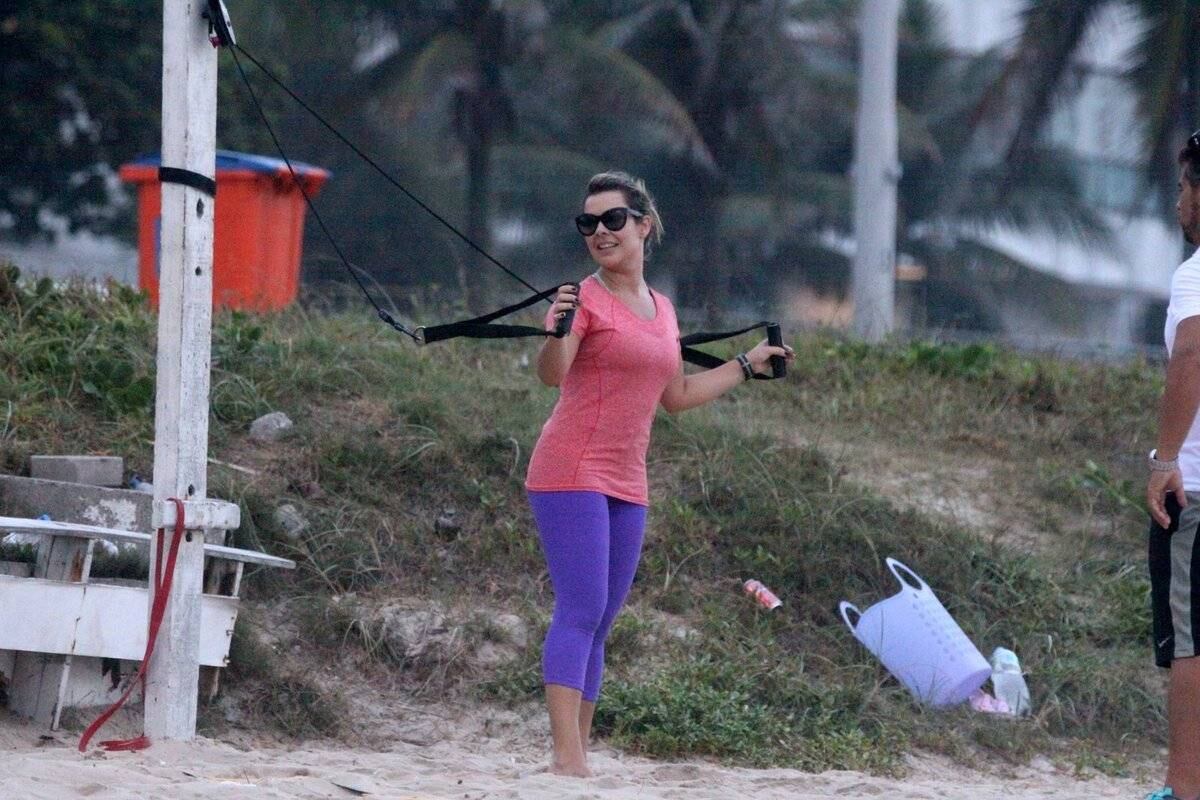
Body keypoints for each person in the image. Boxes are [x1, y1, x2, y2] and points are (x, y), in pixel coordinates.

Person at [524, 170, 793, 777]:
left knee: (603, 619)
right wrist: (556, 331)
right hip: (571, 467)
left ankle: (579, 754)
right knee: (581, 608)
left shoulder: (662, 308)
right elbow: (552, 374)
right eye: (588, 223)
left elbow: (674, 394)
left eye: (612, 219)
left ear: (644, 226)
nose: (599, 232)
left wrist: (746, 365)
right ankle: (568, 762)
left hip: (627, 477)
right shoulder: (583, 299)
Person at [1145, 131, 1200, 800]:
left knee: (1192, 642)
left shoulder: (1196, 273)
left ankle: (1184, 789)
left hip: (1196, 489)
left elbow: (1191, 357)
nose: (1180, 199)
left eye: (1187, 187)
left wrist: (1163, 460)